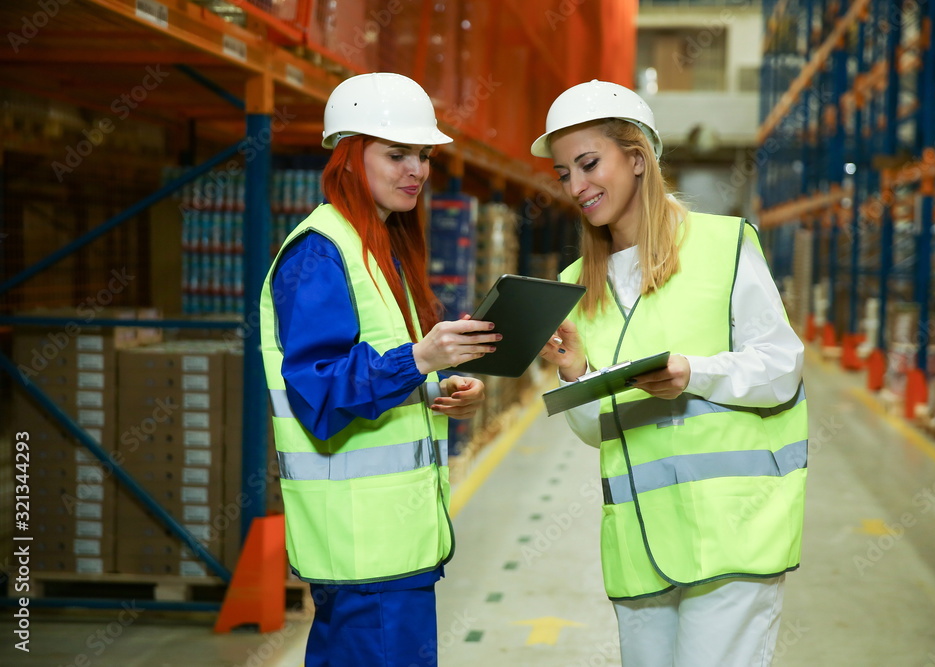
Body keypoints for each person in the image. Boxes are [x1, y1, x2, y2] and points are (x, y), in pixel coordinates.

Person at [534, 80, 808, 666]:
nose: (577, 187)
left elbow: (781, 367)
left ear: (637, 159)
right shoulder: (576, 284)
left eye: (588, 164)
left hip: (732, 538)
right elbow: (594, 430)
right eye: (564, 174)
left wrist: (694, 371)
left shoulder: (724, 245)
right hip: (639, 548)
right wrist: (574, 374)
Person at [258, 72, 501, 667]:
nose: (415, 169)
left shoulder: (380, 248)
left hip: (391, 545)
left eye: (422, 155)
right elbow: (319, 392)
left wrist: (441, 384)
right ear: (347, 157)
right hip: (365, 548)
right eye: (396, 154)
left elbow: (379, 370)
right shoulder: (320, 252)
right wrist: (420, 357)